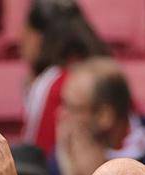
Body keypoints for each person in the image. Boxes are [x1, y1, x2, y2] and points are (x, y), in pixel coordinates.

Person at [17, 0, 108, 155]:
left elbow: (37, 154)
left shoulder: (50, 83)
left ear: (38, 38)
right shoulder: (107, 69)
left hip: (67, 174)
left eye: (25, 34)